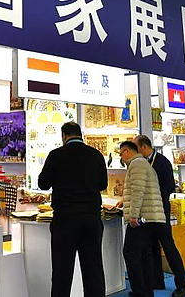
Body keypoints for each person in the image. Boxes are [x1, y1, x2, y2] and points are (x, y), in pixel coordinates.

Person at [38, 121, 107, 297]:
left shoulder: (56, 155)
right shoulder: (96, 155)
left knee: (62, 272)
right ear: (80, 134)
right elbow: (103, 184)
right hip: (91, 219)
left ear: (64, 136)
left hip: (65, 220)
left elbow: (43, 184)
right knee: (93, 270)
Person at [134, 135, 185, 297]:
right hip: (146, 212)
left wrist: (154, 197)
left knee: (168, 246)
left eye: (136, 148)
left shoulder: (162, 162)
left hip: (161, 211)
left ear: (144, 147)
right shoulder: (141, 163)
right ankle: (156, 280)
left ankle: (182, 285)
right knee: (151, 247)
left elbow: (169, 186)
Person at [119, 140, 166, 297]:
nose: (121, 157)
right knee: (144, 254)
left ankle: (140, 290)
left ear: (127, 151)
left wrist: (133, 215)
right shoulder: (143, 163)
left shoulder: (137, 164)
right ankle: (146, 290)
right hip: (149, 216)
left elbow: (137, 191)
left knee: (131, 253)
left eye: (121, 153)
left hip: (141, 217)